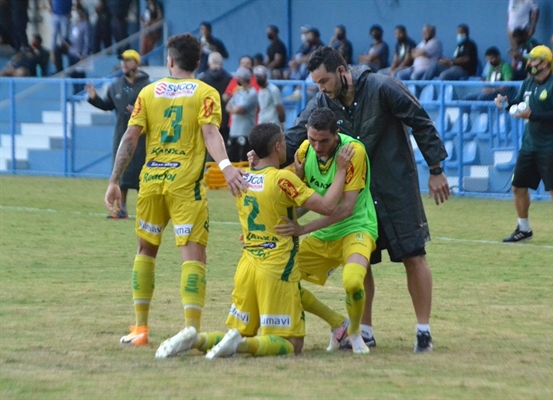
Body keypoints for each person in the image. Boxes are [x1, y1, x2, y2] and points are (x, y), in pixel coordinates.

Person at [285, 46, 450, 353]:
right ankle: (366, 331)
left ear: (342, 70)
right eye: (316, 84)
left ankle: (423, 331)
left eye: (324, 81)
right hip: (358, 196)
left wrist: (436, 168)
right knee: (360, 263)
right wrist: (262, 161)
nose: (320, 89)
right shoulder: (323, 101)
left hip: (396, 188)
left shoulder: (383, 86)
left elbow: (421, 121)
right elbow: (296, 135)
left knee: (414, 255)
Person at [154, 122, 354, 359]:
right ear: (278, 146)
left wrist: (294, 174)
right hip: (277, 267)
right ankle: (240, 347)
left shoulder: (242, 178)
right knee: (291, 344)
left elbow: (273, 201)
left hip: (247, 266)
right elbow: (328, 206)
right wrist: (341, 170)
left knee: (241, 331)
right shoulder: (282, 180)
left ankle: (196, 339)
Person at [103, 33, 246, 346]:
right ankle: (190, 329)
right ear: (198, 62)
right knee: (193, 256)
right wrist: (226, 166)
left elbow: (130, 138)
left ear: (169, 60)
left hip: (151, 182)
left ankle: (140, 330)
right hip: (185, 185)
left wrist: (114, 181)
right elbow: (210, 134)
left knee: (145, 251)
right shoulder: (206, 92)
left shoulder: (148, 91)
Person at [275, 107, 378, 354]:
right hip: (325, 232)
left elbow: (346, 209)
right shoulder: (304, 150)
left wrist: (303, 230)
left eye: (323, 140)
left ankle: (354, 334)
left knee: (353, 282)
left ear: (337, 135)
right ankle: (337, 324)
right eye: (312, 139)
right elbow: (303, 202)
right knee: (279, 279)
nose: (317, 146)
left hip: (356, 227)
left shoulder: (353, 152)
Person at [494, 45, 553, 246]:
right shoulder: (528, 83)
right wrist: (505, 103)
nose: (530, 64)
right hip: (529, 144)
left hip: (550, 145)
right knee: (518, 186)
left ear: (545, 62)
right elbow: (518, 104)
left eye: (534, 60)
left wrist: (532, 115)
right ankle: (524, 229)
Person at [87, 49, 150, 218]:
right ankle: (121, 209)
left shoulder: (148, 86)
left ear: (136, 64)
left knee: (142, 175)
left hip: (143, 137)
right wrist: (94, 99)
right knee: (121, 172)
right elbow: (108, 105)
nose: (124, 64)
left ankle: (146, 211)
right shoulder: (115, 85)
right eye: (122, 61)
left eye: (128, 61)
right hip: (121, 134)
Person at [198, 52, 233, 144]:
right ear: (222, 63)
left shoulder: (202, 78)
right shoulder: (230, 78)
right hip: (224, 117)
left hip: (207, 116)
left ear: (209, 63)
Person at [226, 67, 258, 162]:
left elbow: (240, 109)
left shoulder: (252, 93)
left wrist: (234, 108)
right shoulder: (239, 91)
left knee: (244, 158)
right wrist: (234, 108)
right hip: (234, 131)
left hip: (244, 131)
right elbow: (228, 106)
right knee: (232, 157)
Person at [49, 0, 72, 72]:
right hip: (56, 13)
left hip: (65, 13)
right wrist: (51, 7)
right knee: (54, 34)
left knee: (64, 36)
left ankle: (65, 52)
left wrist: (70, 11)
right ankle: (53, 53)